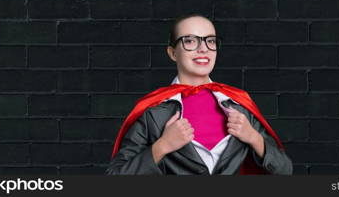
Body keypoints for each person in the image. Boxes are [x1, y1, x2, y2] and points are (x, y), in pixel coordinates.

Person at [106, 13, 293, 175]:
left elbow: (285, 169)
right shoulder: (152, 112)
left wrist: (253, 137)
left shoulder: (239, 104)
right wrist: (162, 146)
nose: (203, 48)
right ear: (172, 53)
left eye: (210, 41)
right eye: (189, 41)